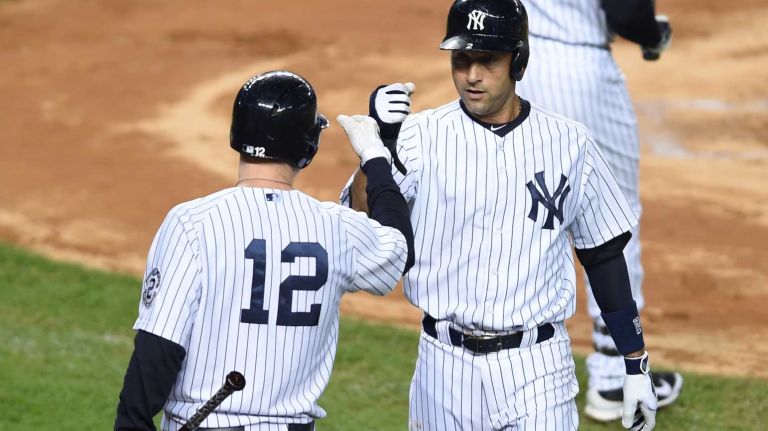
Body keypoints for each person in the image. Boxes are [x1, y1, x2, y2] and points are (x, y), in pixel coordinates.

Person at [343, 1, 659, 429]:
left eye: (488, 60)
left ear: (520, 62)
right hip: (442, 368)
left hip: (537, 368)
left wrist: (635, 361)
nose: (472, 75)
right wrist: (380, 148)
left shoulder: (570, 143)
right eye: (462, 60)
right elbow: (363, 221)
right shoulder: (418, 136)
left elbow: (602, 255)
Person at [114, 70, 415, 431]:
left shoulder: (191, 222)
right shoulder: (335, 228)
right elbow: (399, 247)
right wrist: (377, 153)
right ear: (307, 145)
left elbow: (156, 351)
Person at [514, 0, 682, 422]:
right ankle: (614, 374)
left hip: (518, 67)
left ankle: (518, 371)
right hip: (580, 68)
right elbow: (626, 13)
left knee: (525, 216)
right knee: (613, 217)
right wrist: (652, 33)